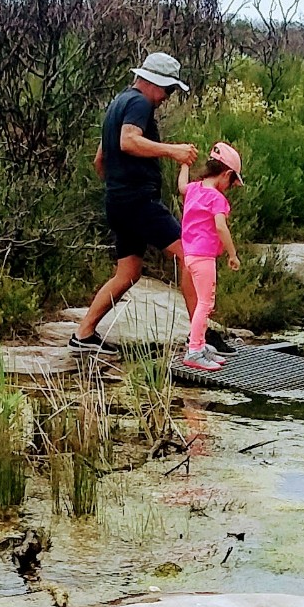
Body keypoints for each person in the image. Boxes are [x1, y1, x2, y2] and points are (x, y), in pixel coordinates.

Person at [70, 51, 208, 353]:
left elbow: (100, 158)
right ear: (155, 83)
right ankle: (200, 339)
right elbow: (127, 141)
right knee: (190, 255)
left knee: (128, 273)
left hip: (119, 201)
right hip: (137, 201)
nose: (167, 98)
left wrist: (119, 184)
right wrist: (173, 151)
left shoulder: (117, 103)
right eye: (169, 90)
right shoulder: (139, 102)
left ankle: (83, 334)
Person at [176, 142, 243, 371]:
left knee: (202, 303)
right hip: (204, 257)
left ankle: (201, 344)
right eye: (231, 183)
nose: (229, 188)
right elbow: (221, 228)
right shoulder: (217, 199)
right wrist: (232, 254)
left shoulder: (195, 189)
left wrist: (184, 164)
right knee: (205, 303)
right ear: (226, 174)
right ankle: (194, 350)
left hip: (190, 254)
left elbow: (182, 186)